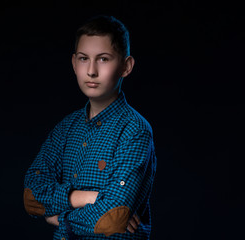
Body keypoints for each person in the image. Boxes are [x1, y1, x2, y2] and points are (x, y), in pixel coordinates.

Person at [23, 15, 157, 240]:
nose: (92, 71)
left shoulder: (135, 131)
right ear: (74, 63)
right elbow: (32, 197)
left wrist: (57, 217)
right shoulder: (65, 128)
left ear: (126, 66)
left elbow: (112, 218)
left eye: (103, 59)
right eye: (84, 58)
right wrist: (88, 197)